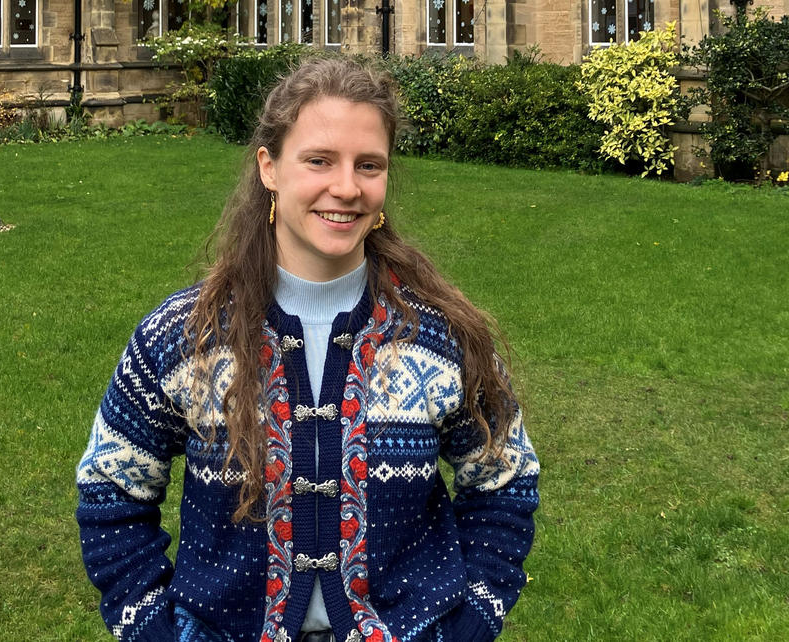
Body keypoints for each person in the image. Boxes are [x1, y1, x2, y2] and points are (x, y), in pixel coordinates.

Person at [76, 57, 539, 642]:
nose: (346, 188)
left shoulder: (442, 336)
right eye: (319, 160)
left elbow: (505, 482)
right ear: (269, 167)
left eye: (368, 166)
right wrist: (152, 630)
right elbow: (109, 492)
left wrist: (470, 621)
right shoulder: (182, 337)